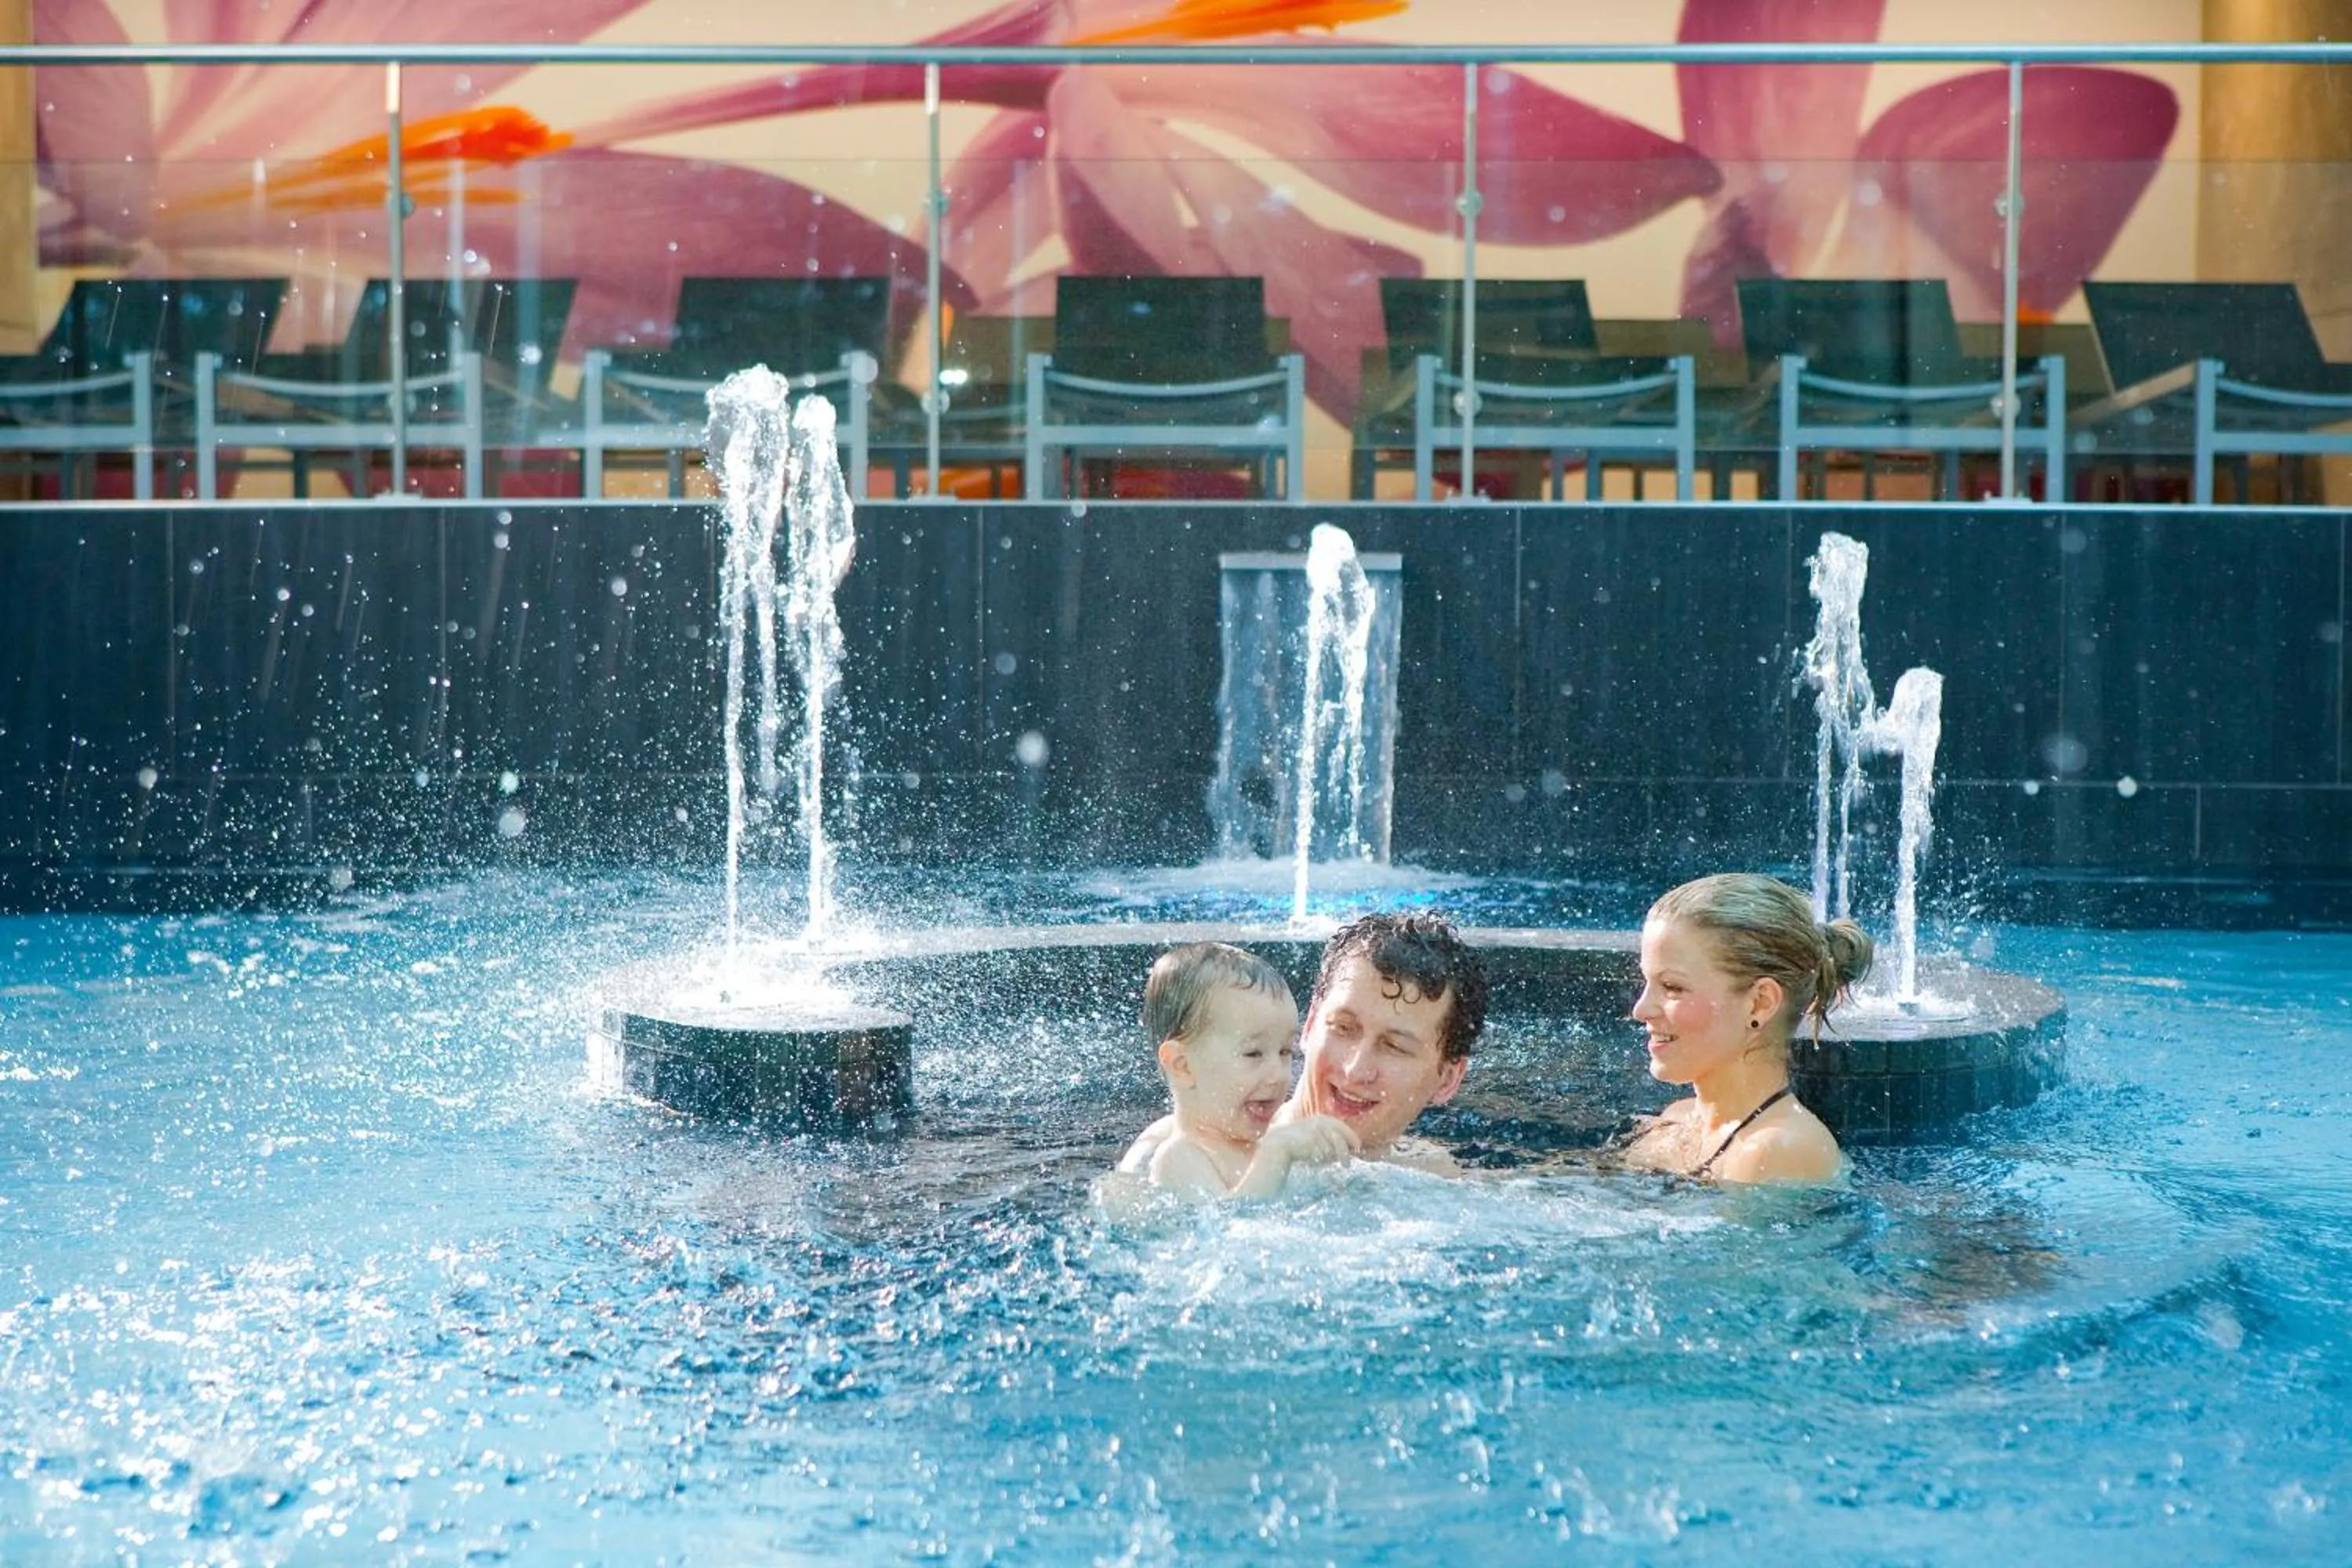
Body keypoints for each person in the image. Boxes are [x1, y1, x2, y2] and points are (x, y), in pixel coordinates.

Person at [1118, 911, 1491, 1181]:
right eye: (1344, 1028)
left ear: (1447, 1079)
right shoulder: (1181, 1154)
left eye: (1394, 1046)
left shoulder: (1433, 1174)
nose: (1355, 1069)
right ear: (1310, 1024)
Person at [1621, 873, 1873, 1185]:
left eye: (1672, 987)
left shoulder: (1778, 1151)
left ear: (1759, 1004)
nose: (1641, 1009)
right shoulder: (1678, 1120)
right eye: (1647, 982)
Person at [1122, 942, 1359, 1200]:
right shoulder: (1179, 1158)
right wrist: (1277, 1152)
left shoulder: (1267, 1144)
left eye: (1284, 1052)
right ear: (1183, 1066)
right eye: (1253, 1054)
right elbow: (1230, 1220)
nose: (1278, 1076)